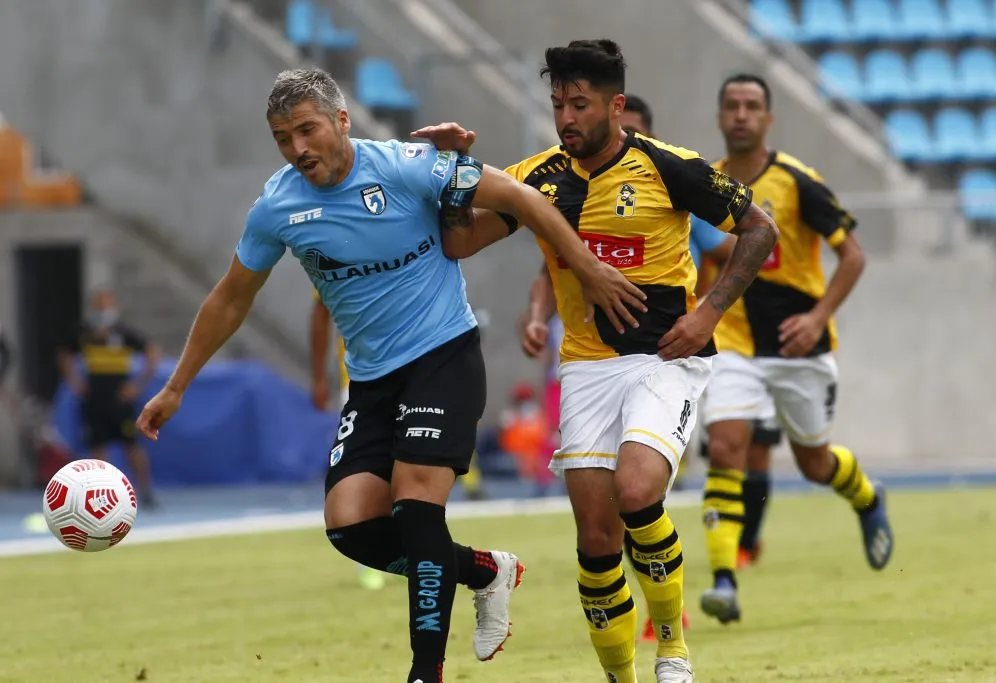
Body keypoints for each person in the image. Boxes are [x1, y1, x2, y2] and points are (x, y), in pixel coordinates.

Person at [135, 67, 644, 683]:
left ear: (342, 122)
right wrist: (176, 386)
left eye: (307, 130)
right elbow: (231, 297)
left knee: (414, 511)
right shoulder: (277, 206)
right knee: (351, 527)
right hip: (373, 380)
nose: (297, 149)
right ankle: (485, 571)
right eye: (281, 137)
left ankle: (423, 673)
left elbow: (524, 198)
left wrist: (587, 268)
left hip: (443, 357)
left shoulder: (405, 166)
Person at [418, 40, 778, 683]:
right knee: (596, 538)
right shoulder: (535, 177)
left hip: (665, 358)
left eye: (579, 104)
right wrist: (456, 170)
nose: (566, 118)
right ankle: (622, 676)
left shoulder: (671, 166)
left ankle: (672, 646)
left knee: (638, 492)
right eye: (557, 104)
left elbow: (761, 228)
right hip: (586, 368)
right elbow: (458, 240)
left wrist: (709, 313)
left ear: (614, 106)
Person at [697, 74, 894, 626]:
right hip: (732, 339)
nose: (741, 114)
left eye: (752, 106)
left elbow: (852, 256)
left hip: (796, 347)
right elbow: (705, 260)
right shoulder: (703, 184)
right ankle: (724, 579)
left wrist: (817, 317)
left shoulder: (798, 181)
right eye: (731, 105)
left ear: (768, 119)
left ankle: (867, 497)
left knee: (814, 463)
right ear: (719, 116)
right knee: (727, 442)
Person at [309, 290, 386, 591]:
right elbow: (319, 312)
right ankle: (369, 561)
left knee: (411, 467)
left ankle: (414, 551)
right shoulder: (337, 248)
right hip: (359, 380)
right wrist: (318, 377)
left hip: (413, 373)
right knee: (362, 471)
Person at [59, 289, 159, 508]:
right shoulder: (84, 333)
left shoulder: (124, 332)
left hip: (120, 400)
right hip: (94, 398)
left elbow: (151, 352)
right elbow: (65, 353)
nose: (103, 309)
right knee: (98, 447)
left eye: (107, 304)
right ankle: (102, 496)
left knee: (131, 445)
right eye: (100, 304)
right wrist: (74, 382)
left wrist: (137, 385)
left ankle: (146, 491)